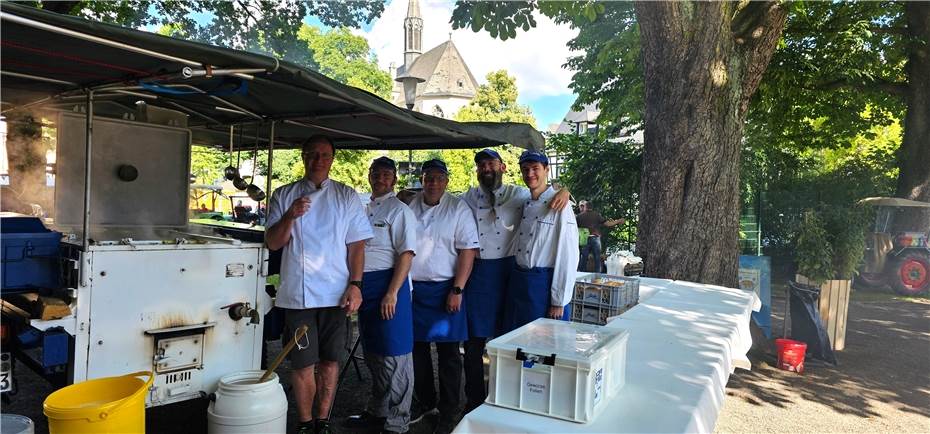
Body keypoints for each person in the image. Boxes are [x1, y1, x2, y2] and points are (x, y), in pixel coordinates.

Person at [265, 135, 373, 434]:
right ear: (303, 157)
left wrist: (356, 285)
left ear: (332, 159)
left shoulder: (346, 195)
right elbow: (274, 243)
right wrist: (290, 215)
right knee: (301, 363)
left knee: (330, 360)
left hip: (336, 292)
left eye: (324, 155)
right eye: (312, 154)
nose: (318, 160)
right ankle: (304, 422)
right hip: (297, 295)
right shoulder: (284, 195)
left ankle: (323, 420)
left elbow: (357, 247)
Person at [459, 148, 570, 412]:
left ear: (503, 168)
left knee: (509, 342)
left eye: (491, 163)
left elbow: (547, 194)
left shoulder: (520, 195)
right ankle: (474, 401)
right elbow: (444, 204)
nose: (487, 168)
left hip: (510, 277)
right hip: (479, 275)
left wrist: (565, 190)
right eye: (482, 165)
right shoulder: (467, 198)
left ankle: (505, 396)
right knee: (473, 344)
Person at [343, 157, 418, 434]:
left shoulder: (400, 211)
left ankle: (398, 422)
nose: (381, 178)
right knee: (374, 351)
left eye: (387, 174)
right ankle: (378, 411)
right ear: (369, 175)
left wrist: (392, 293)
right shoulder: (363, 209)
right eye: (377, 173)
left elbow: (406, 255)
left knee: (395, 354)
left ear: (394, 179)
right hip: (365, 286)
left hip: (390, 287)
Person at [407, 159, 479, 433]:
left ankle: (450, 411)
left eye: (439, 177)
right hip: (413, 289)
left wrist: (458, 289)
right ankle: (426, 405)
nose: (433, 182)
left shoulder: (458, 207)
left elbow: (468, 251)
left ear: (447, 181)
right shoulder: (410, 205)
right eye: (428, 177)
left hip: (447, 288)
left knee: (449, 353)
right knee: (417, 351)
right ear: (422, 179)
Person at [501, 150, 579, 333]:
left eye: (535, 168)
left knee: (543, 347)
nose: (530, 174)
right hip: (520, 282)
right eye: (525, 169)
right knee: (519, 343)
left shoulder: (560, 205)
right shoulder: (525, 201)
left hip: (544, 286)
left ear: (547, 170)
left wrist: (559, 301)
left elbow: (568, 256)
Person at [576, 200, 625, 272]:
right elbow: (608, 224)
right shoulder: (596, 215)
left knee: (583, 257)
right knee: (597, 258)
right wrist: (618, 221)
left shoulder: (579, 216)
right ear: (592, 207)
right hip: (595, 238)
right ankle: (598, 275)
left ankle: (581, 274)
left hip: (584, 238)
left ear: (585, 207)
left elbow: (574, 228)